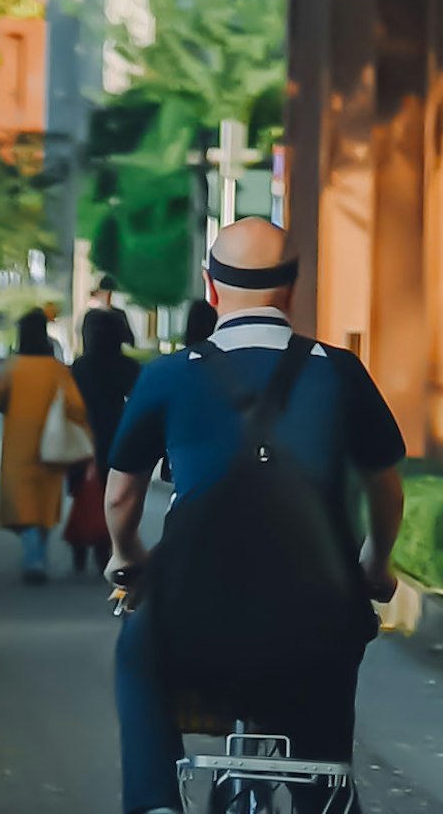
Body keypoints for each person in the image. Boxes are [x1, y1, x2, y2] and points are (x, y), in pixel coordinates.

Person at [105, 217, 403, 814]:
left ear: (211, 288)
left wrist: (126, 556)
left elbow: (120, 498)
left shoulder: (167, 375)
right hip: (319, 614)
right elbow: (385, 488)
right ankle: (324, 792)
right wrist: (373, 566)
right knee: (330, 660)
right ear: (292, 288)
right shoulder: (340, 371)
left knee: (136, 651)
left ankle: (155, 801)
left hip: (194, 615)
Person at [0, 303, 76, 584]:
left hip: (19, 444)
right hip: (52, 443)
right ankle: (38, 554)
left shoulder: (13, 367)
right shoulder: (57, 370)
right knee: (44, 503)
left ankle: (33, 559)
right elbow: (76, 406)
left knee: (23, 504)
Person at [64, 294, 137, 572]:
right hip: (114, 433)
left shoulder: (80, 367)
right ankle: (104, 548)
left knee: (81, 493)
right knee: (110, 494)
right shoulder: (127, 366)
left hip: (81, 434)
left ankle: (79, 549)